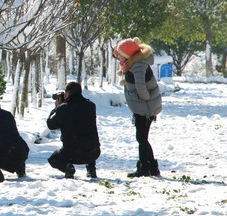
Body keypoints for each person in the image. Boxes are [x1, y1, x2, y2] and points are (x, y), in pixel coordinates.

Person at [113, 37, 162, 177]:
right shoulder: (132, 63)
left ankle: (144, 168)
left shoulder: (138, 66)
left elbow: (141, 87)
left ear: (128, 54)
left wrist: (144, 99)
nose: (119, 56)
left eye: (121, 53)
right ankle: (152, 167)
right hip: (142, 107)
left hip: (145, 108)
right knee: (142, 138)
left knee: (141, 138)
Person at [46, 81, 101, 179]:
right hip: (93, 153)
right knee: (87, 140)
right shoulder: (91, 106)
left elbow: (51, 125)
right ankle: (91, 169)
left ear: (67, 94)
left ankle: (68, 168)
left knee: (53, 159)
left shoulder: (63, 109)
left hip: (73, 154)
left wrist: (56, 108)